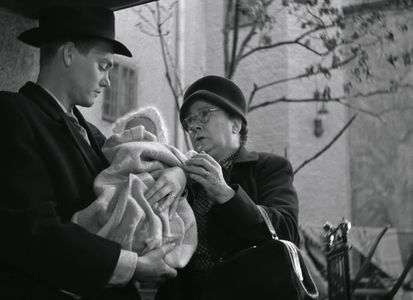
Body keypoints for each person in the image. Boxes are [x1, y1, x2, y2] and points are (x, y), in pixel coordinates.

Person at [0, 6, 186, 300]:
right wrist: (133, 265)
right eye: (103, 66)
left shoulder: (95, 135)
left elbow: (137, 170)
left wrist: (177, 175)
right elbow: (29, 231)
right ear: (69, 53)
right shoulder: (12, 113)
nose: (108, 81)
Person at [155, 75, 300, 300]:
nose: (194, 126)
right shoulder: (182, 177)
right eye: (189, 122)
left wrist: (225, 193)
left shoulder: (269, 167)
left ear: (236, 124)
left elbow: (287, 230)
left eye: (204, 114)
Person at [72, 106, 197, 269]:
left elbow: (186, 163)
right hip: (119, 201)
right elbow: (112, 175)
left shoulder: (167, 160)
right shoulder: (106, 149)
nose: (139, 137)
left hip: (159, 200)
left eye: (145, 132)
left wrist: (180, 172)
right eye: (131, 133)